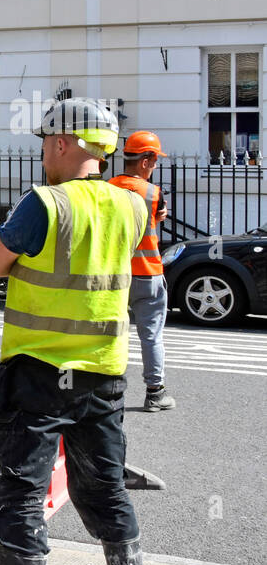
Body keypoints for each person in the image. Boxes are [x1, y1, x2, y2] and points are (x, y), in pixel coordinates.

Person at [0, 98, 150, 565]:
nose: (42, 152)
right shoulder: (131, 207)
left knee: (19, 497)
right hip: (103, 377)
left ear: (64, 143)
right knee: (106, 491)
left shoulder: (44, 203)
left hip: (40, 377)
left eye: (45, 142)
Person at [109, 131, 175, 411]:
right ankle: (155, 393)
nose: (156, 166)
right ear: (146, 161)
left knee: (112, 333)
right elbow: (147, 229)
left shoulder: (108, 188)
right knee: (151, 336)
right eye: (155, 160)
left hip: (114, 274)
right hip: (148, 274)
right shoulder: (153, 193)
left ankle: (108, 390)